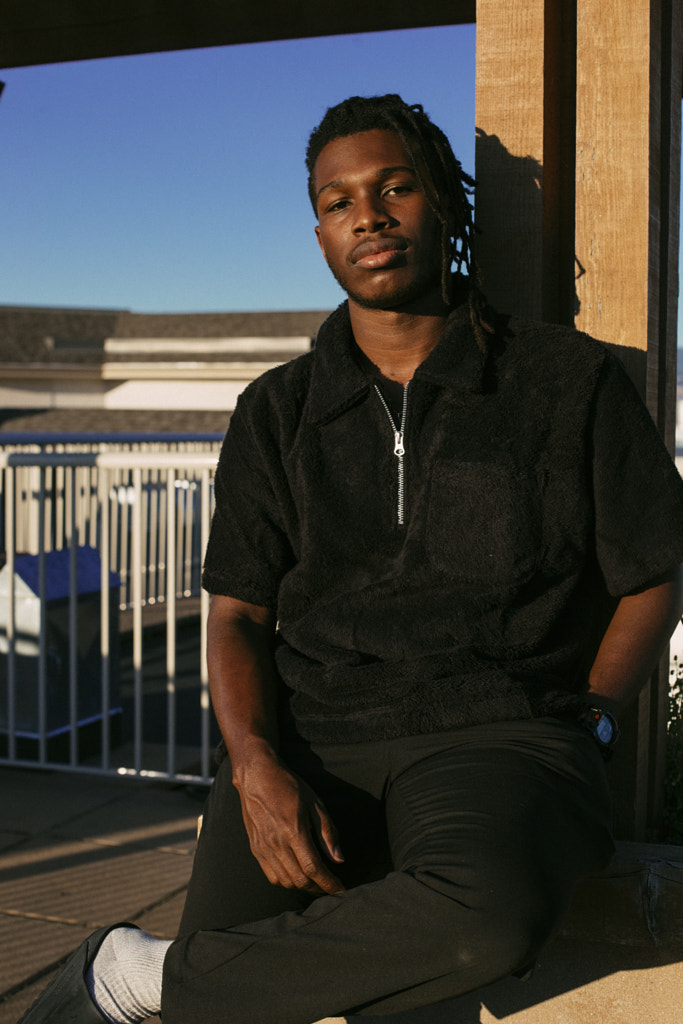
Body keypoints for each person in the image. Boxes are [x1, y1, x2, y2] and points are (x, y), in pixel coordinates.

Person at [21, 93, 683, 1024]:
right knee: (230, 1005)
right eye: (338, 202)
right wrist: (254, 764)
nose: (367, 216)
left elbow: (652, 570)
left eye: (394, 188)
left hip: (499, 733)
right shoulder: (276, 410)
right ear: (320, 234)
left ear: (441, 205)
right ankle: (168, 978)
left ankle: (136, 978)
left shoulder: (564, 379)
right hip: (313, 739)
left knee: (479, 925)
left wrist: (593, 719)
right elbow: (237, 611)